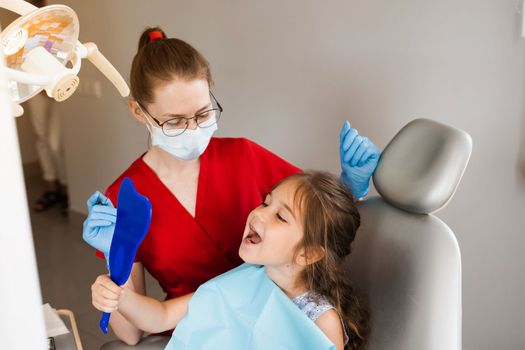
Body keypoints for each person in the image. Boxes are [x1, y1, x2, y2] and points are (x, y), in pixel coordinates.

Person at [82, 26, 379, 345]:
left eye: (202, 113)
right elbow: (133, 332)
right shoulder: (123, 200)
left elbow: (320, 221)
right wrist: (116, 257)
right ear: (139, 111)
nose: (194, 129)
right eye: (176, 121)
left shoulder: (244, 156)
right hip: (198, 327)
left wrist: (352, 186)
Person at [91, 171, 369, 350]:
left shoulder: (320, 320)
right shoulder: (243, 279)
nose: (259, 214)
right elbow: (159, 317)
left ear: (308, 253)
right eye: (265, 202)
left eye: (280, 217)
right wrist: (118, 296)